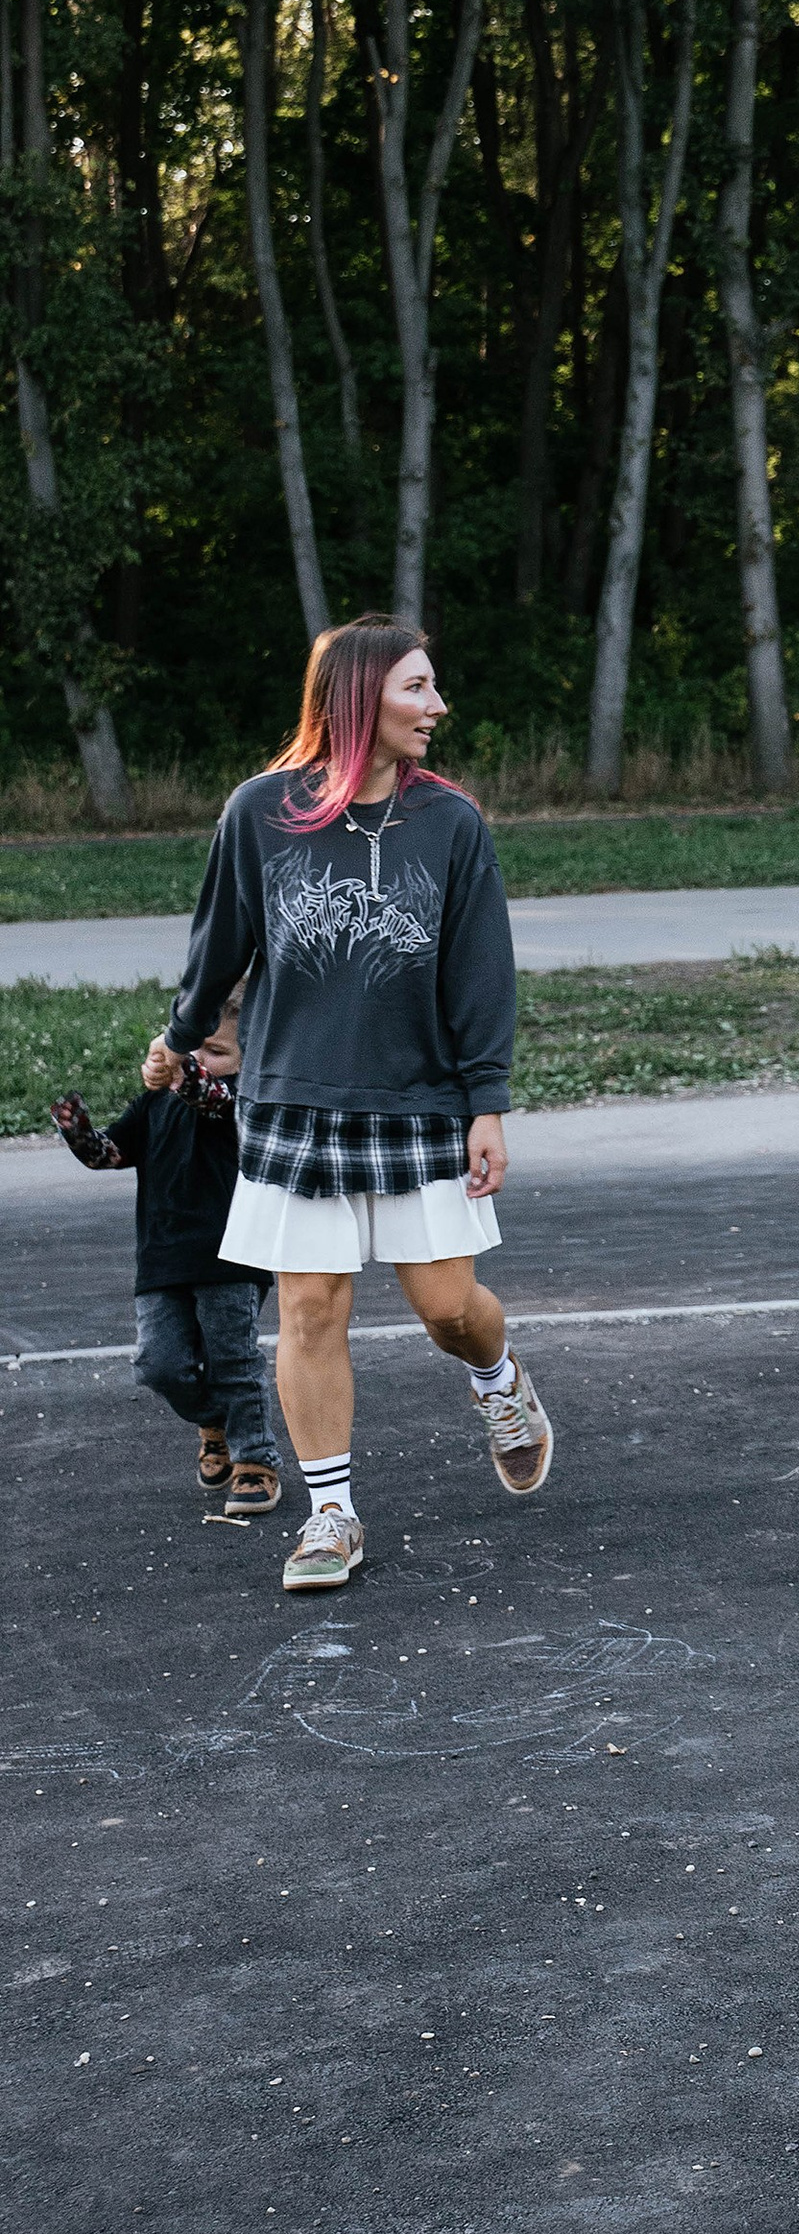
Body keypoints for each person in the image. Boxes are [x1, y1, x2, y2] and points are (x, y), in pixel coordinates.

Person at [155, 615, 554, 1597]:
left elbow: (481, 974)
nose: (438, 706)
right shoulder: (258, 812)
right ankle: (330, 1513)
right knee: (307, 1306)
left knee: (448, 1309)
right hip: (294, 1097)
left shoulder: (452, 823)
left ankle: (500, 1384)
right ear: (359, 697)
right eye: (417, 688)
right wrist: (179, 1038)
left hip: (421, 1099)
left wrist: (487, 1101)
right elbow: (219, 948)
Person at [50, 988, 282, 1519]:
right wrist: (77, 1127)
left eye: (216, 1053)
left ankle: (255, 1459)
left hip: (230, 1256)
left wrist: (179, 1071)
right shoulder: (155, 1103)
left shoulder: (244, 1099)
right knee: (158, 1365)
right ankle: (215, 1421)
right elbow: (110, 1154)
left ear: (250, 1057)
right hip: (160, 1258)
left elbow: (211, 1097)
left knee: (234, 1361)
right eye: (191, 1048)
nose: (201, 1060)